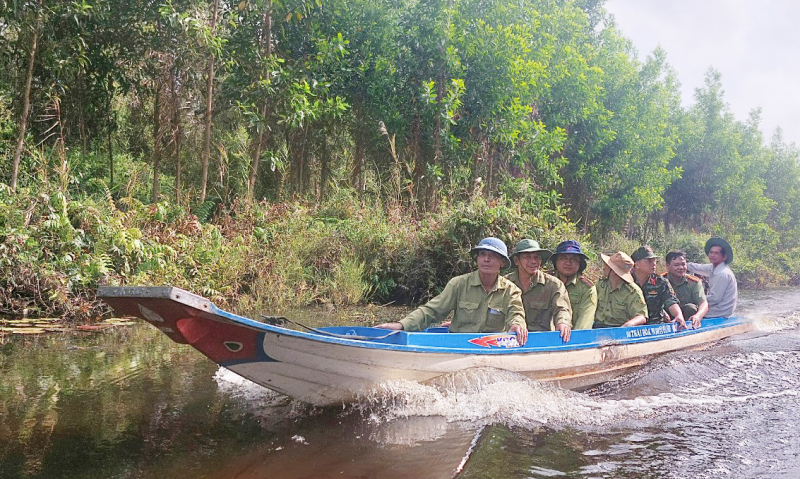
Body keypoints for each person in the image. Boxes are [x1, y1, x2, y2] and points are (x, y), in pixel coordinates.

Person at [375, 237, 528, 345]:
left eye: (493, 256)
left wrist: (517, 325)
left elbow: (516, 314)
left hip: (492, 347)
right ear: (477, 259)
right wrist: (401, 325)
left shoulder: (511, 290)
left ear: (502, 263)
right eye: (482, 254)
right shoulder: (458, 284)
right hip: (458, 345)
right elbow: (432, 310)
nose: (486, 259)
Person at [506, 239, 572, 342]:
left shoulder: (553, 285)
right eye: (527, 257)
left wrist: (562, 323)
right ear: (516, 260)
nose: (533, 261)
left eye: (537, 257)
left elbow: (562, 308)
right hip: (511, 341)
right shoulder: (506, 284)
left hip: (543, 341)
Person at [631, 245, 686, 329]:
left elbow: (671, 301)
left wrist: (678, 315)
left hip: (656, 327)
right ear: (637, 264)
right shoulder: (627, 281)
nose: (653, 264)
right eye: (649, 261)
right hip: (632, 327)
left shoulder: (660, 282)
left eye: (654, 260)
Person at [550, 240, 597, 330]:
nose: (568, 263)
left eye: (574, 259)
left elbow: (583, 326)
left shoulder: (587, 288)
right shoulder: (546, 283)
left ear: (580, 263)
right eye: (563, 258)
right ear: (556, 261)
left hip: (574, 336)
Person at [687, 237, 738, 318]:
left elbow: (715, 299)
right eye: (711, 252)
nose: (712, 255)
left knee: (689, 309)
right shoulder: (713, 267)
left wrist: (693, 299)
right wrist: (682, 265)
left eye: (716, 253)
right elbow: (697, 267)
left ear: (724, 257)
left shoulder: (722, 274)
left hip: (720, 311)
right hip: (715, 307)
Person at [594, 251, 647, 328]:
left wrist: (630, 324)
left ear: (614, 271)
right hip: (597, 328)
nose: (604, 268)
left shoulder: (632, 291)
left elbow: (641, 316)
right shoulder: (601, 284)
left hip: (619, 329)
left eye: (607, 266)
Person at [663, 250, 708, 328]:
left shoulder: (694, 282)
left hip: (687, 317)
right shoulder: (660, 281)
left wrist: (698, 316)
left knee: (690, 307)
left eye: (683, 264)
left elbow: (703, 303)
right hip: (667, 317)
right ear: (667, 266)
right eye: (676, 265)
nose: (681, 268)